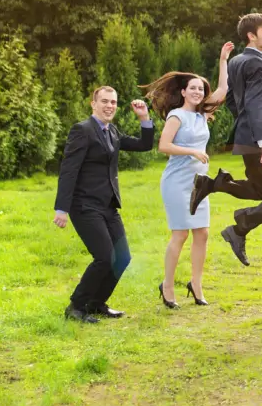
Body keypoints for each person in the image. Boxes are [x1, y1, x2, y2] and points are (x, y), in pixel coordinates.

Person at [189, 14, 262, 267]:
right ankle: (240, 226)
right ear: (252, 34)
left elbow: (231, 100)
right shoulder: (258, 65)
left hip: (246, 137)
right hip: (259, 140)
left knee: (259, 190)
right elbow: (253, 102)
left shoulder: (237, 62)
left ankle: (213, 184)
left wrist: (246, 124)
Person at [142, 42, 234, 308]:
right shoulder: (176, 116)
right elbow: (163, 146)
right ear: (183, 92)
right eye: (192, 88)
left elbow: (223, 89)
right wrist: (192, 152)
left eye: (200, 89)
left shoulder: (203, 114)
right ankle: (167, 286)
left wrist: (223, 59)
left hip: (199, 183)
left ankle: (196, 284)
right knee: (180, 234)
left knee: (202, 233)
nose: (197, 91)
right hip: (176, 182)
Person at [53, 87, 155, 323]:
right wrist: (62, 209)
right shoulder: (82, 130)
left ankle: (96, 303)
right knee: (104, 257)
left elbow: (143, 145)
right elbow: (69, 170)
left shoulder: (112, 132)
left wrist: (144, 119)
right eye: (105, 101)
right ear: (93, 104)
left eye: (114, 102)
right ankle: (76, 306)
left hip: (108, 207)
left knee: (122, 258)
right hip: (84, 206)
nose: (110, 106)